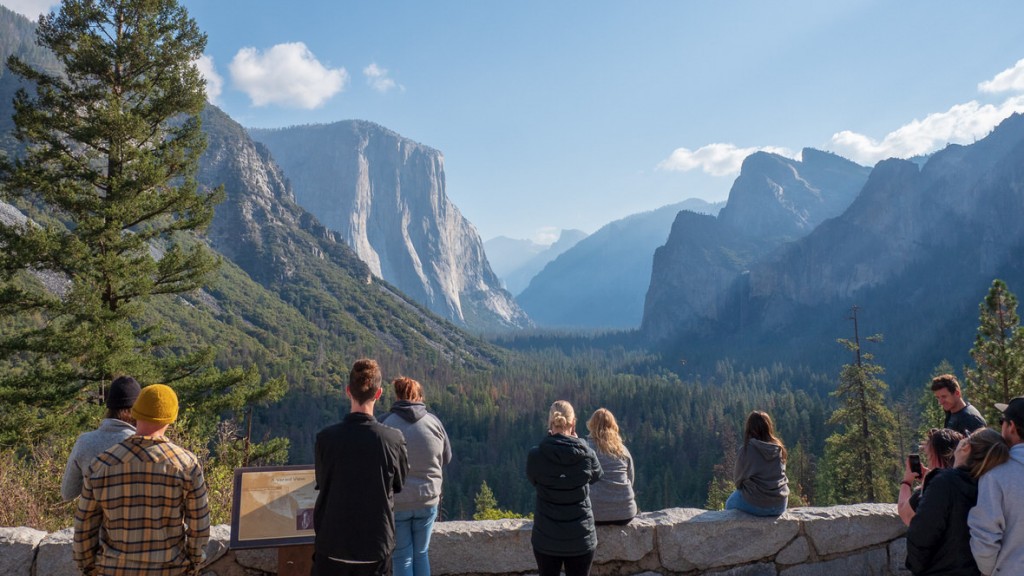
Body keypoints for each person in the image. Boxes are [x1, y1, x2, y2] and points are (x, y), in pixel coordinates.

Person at [73, 384, 210, 576]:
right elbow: (199, 527)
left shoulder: (101, 465)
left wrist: (89, 567)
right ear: (171, 418)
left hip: (113, 570)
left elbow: (84, 526)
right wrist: (193, 564)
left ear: (135, 413)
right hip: (169, 570)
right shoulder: (186, 465)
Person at [313, 359, 409, 576]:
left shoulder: (325, 439)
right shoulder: (393, 440)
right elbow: (399, 483)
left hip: (332, 544)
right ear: (379, 393)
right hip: (375, 546)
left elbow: (321, 481)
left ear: (348, 391)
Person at [905, 428, 1009, 575]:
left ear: (966, 447)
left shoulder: (944, 482)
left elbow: (920, 535)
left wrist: (919, 569)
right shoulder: (989, 487)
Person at [379, 376, 452, 576]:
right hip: (428, 499)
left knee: (402, 556)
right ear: (419, 396)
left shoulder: (385, 423)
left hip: (398, 501)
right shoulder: (433, 423)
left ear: (397, 395)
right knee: (421, 553)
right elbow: (446, 457)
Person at [526, 400, 603, 576]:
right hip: (581, 537)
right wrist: (579, 443)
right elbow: (598, 475)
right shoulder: (586, 454)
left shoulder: (536, 455)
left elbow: (533, 479)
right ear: (573, 423)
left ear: (550, 422)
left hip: (546, 537)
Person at [61, 375, 142, 501]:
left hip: (95, 518)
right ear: (137, 410)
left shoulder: (85, 442)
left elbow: (68, 493)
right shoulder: (144, 444)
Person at [969, 397, 1024, 576]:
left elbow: (985, 538)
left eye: (1003, 422)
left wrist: (988, 571)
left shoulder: (996, 475)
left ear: (1012, 427)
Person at [726, 410, 790, 517]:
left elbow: (737, 481)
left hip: (757, 503)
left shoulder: (747, 449)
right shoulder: (778, 448)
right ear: (768, 427)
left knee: (730, 503)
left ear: (749, 428)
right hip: (780, 504)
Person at [898, 428, 965, 526]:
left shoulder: (933, 491)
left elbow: (906, 514)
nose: (929, 465)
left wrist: (907, 482)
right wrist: (928, 477)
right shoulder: (971, 480)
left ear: (937, 458)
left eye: (929, 458)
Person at [583, 408, 637, 525]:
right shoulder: (622, 450)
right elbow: (630, 479)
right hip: (626, 513)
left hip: (595, 514)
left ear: (591, 425)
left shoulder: (586, 449)